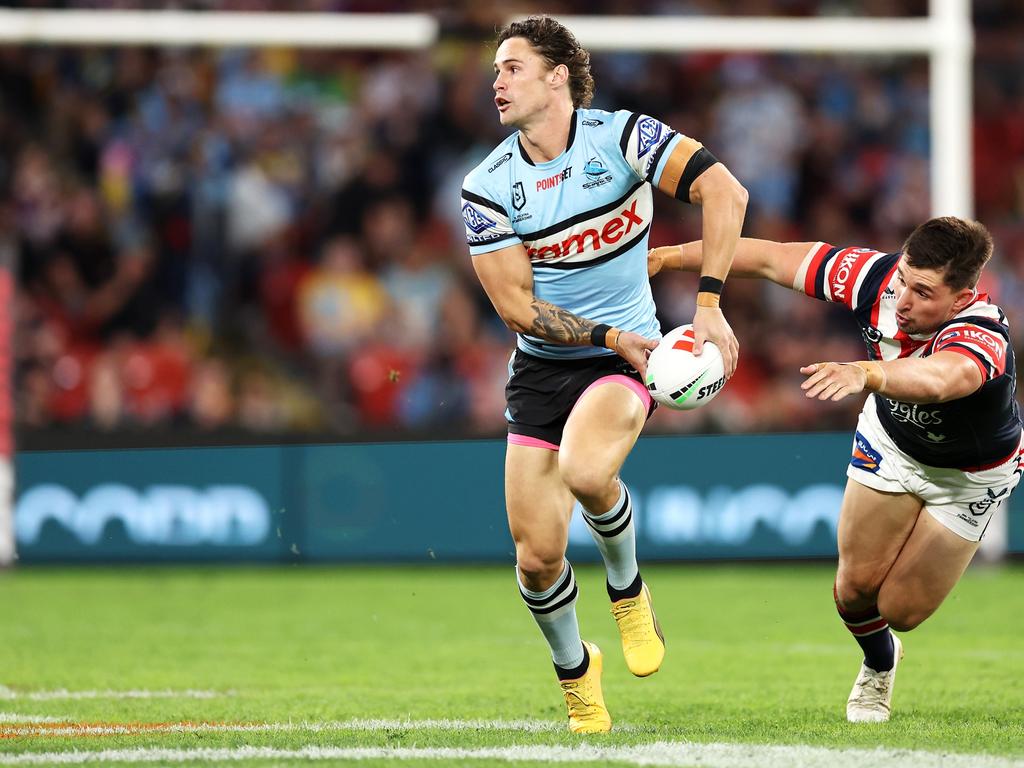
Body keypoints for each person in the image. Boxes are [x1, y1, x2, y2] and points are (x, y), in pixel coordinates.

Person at [460, 16, 746, 733]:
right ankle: (578, 679)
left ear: (557, 75)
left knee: (589, 473)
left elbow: (726, 194)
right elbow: (517, 309)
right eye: (496, 70)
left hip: (627, 361)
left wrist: (707, 307)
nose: (497, 81)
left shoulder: (623, 139)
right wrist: (613, 333)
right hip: (546, 369)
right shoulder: (487, 186)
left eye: (513, 68)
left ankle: (627, 590)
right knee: (535, 559)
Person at [649, 216, 1023, 723]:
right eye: (903, 280)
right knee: (852, 591)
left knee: (902, 611)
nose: (904, 300)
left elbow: (944, 378)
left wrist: (866, 371)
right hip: (893, 443)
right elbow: (768, 258)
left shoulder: (983, 330)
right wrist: (666, 256)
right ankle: (879, 662)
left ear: (960, 298)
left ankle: (895, 639)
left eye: (924, 292)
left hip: (970, 476)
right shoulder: (872, 277)